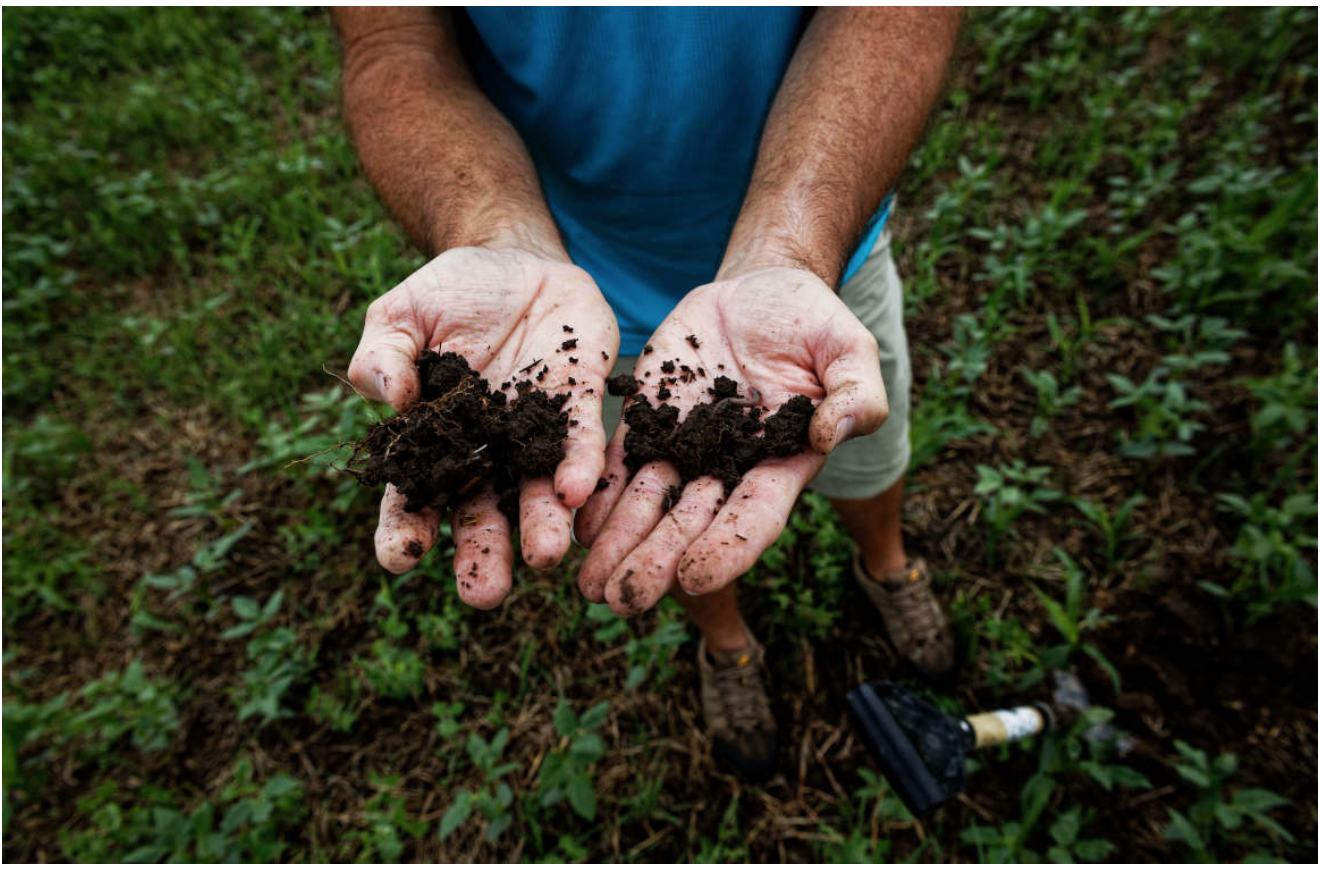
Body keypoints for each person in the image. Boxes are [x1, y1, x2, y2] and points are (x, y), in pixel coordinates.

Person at [336, 7, 963, 778]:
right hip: (560, 314)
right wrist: (495, 234)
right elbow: (395, 43)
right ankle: (727, 645)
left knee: (861, 449)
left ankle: (888, 564)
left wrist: (790, 245)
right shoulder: (548, 349)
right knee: (656, 505)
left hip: (816, 259)